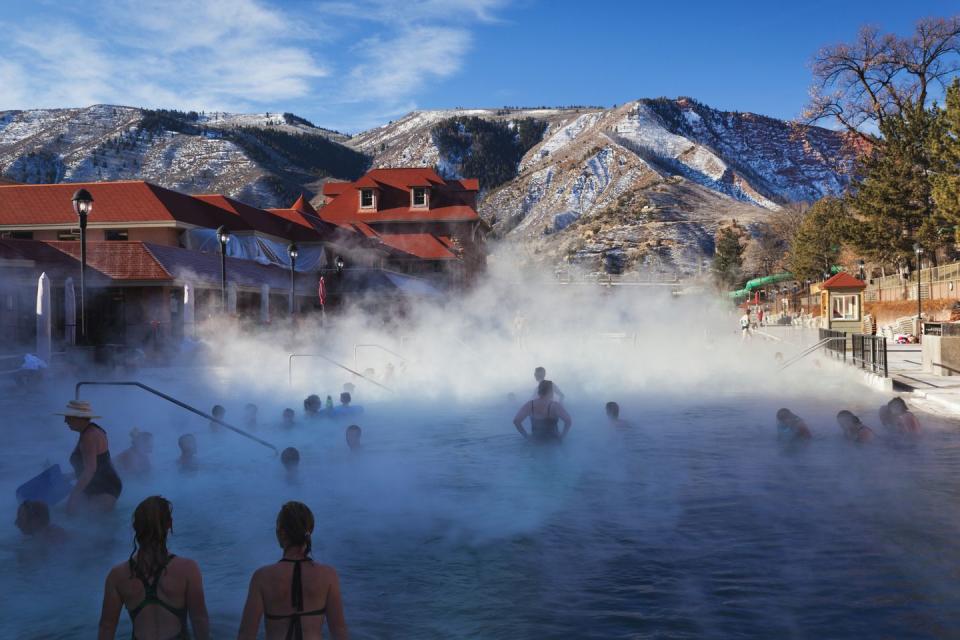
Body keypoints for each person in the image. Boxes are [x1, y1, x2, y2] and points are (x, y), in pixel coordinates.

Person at [98, 496, 209, 640]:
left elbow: (107, 626)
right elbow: (199, 619)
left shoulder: (117, 576)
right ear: (169, 524)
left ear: (136, 527)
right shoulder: (188, 569)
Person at [238, 501, 348, 640]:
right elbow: (339, 631)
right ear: (309, 532)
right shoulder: (328, 575)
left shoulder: (262, 577)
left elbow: (246, 633)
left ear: (282, 533)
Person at [59, 400, 122, 514]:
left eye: (68, 417)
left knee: (91, 526)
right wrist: (72, 476)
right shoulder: (92, 430)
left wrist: (73, 497)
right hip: (98, 485)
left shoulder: (89, 437)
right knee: (64, 514)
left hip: (103, 489)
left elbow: (90, 470)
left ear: (79, 417)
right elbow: (100, 462)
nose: (65, 420)